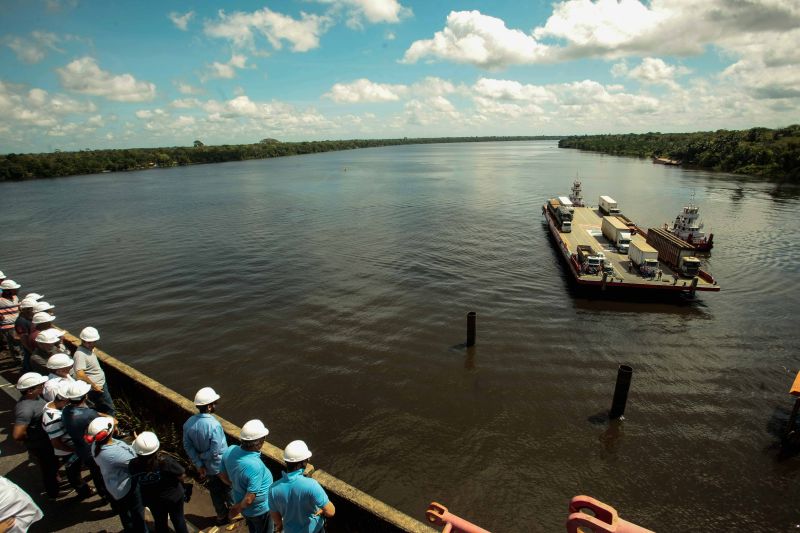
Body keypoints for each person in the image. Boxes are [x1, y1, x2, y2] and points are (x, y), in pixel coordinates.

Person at [87, 417, 147, 533]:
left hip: (113, 486)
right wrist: (138, 443)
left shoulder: (96, 445)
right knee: (137, 514)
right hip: (127, 488)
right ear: (109, 432)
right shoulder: (114, 453)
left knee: (124, 513)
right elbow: (137, 462)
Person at [183, 386, 231, 525]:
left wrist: (199, 464)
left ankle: (221, 515)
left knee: (215, 492)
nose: (216, 405)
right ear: (209, 407)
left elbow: (188, 446)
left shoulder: (188, 424)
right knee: (229, 489)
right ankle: (233, 513)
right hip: (221, 466)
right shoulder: (214, 425)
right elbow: (215, 451)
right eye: (214, 403)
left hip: (206, 468)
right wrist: (202, 457)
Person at [268, 440, 335, 533]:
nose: (308, 461)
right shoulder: (311, 485)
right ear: (301, 463)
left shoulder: (273, 489)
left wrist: (280, 526)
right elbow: (331, 512)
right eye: (307, 459)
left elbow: (276, 519)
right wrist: (322, 510)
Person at [42, 381, 93, 499]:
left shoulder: (52, 406)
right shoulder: (53, 418)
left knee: (74, 469)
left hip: (70, 447)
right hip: (67, 450)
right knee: (73, 472)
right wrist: (74, 450)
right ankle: (84, 491)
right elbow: (56, 443)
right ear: (65, 400)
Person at [219, 420, 273, 533]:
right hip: (259, 510)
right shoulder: (255, 466)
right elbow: (248, 499)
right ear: (258, 443)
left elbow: (222, 475)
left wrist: (234, 484)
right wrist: (235, 510)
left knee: (253, 527)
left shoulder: (230, 450)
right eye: (264, 438)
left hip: (243, 505)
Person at [12, 372, 60, 499]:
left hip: (45, 441)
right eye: (40, 386)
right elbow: (17, 434)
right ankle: (53, 493)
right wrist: (32, 439)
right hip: (41, 445)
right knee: (48, 468)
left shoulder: (36, 398)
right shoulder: (25, 409)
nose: (43, 386)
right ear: (30, 391)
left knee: (53, 464)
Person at [130, 432, 189, 533]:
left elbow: (135, 479)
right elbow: (181, 475)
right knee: (178, 519)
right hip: (173, 497)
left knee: (160, 522)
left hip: (153, 500)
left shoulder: (133, 465)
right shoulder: (165, 461)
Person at [61, 380, 110, 501]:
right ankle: (107, 494)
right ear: (85, 396)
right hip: (93, 449)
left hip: (80, 448)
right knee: (101, 473)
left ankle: (102, 493)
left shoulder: (65, 411)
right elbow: (100, 425)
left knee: (95, 472)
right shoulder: (89, 414)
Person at [73, 326, 115, 416]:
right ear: (82, 340)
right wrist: (94, 386)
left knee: (104, 407)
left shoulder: (88, 349)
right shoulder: (80, 354)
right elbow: (80, 374)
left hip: (99, 384)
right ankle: (112, 422)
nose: (92, 344)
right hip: (97, 387)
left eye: (94, 342)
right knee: (109, 408)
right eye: (89, 342)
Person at [14, 299, 36, 369]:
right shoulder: (21, 322)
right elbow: (23, 340)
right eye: (33, 309)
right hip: (29, 349)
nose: (34, 311)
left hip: (32, 347)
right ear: (27, 310)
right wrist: (32, 351)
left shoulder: (28, 318)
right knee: (28, 362)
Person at [0, 280, 21, 353]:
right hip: (8, 326)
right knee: (15, 345)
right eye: (14, 289)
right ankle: (18, 358)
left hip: (18, 324)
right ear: (7, 291)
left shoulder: (15, 297)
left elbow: (18, 308)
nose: (16, 290)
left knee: (20, 342)